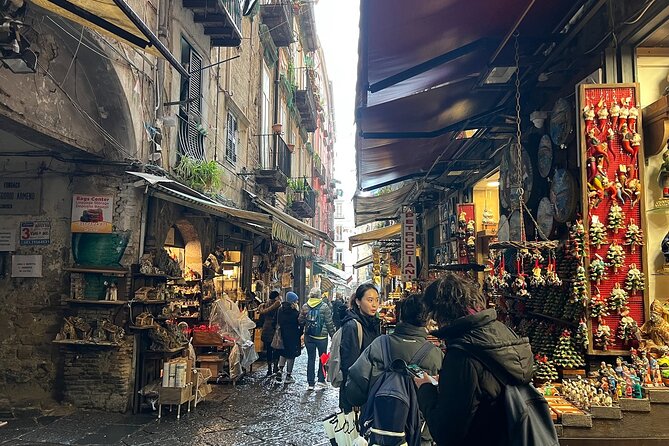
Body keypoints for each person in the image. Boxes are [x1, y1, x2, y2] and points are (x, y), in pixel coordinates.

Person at [415, 273, 534, 446]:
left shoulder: (462, 353)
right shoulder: (503, 332)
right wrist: (449, 382)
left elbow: (447, 432)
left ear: (441, 313)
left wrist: (425, 389)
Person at [345, 294, 443, 445]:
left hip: (378, 431)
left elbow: (354, 390)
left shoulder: (379, 345)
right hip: (420, 436)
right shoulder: (436, 355)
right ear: (428, 320)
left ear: (400, 315)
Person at [338, 282, 381, 413]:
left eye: (377, 300)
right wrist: (354, 398)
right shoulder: (352, 326)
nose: (374, 305)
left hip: (370, 389)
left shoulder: (373, 323)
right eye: (370, 300)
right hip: (357, 394)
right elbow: (349, 365)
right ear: (358, 301)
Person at [299, 287, 336, 391]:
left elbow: (300, 321)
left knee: (310, 358)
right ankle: (321, 380)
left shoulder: (305, 306)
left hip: (309, 336)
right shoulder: (325, 307)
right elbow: (329, 323)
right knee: (322, 358)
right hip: (322, 337)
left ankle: (310, 383)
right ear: (320, 296)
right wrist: (333, 336)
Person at [275, 291, 302, 384]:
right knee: (291, 355)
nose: (297, 302)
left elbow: (276, 321)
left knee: (283, 353)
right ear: (293, 301)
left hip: (282, 334)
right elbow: (299, 323)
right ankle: (288, 376)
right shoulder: (295, 312)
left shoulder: (280, 309)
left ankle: (280, 370)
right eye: (296, 300)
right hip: (293, 336)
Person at [258, 290, 281, 376]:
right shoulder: (278, 305)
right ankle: (275, 366)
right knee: (276, 348)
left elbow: (261, 318)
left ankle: (269, 368)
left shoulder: (264, 305)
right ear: (276, 297)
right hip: (275, 329)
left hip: (266, 328)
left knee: (268, 349)